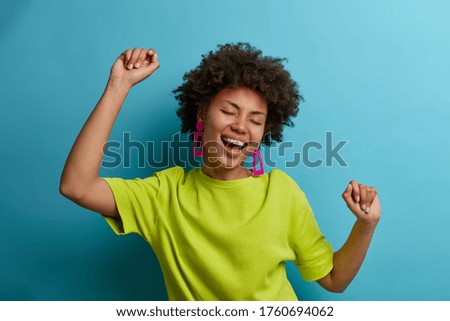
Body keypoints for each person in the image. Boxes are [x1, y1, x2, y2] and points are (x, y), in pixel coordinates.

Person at [60, 43, 381, 300]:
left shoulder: (281, 192)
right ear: (202, 114)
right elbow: (77, 186)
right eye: (229, 111)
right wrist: (119, 85)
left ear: (265, 132)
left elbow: (334, 279)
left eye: (255, 120)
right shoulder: (164, 194)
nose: (241, 126)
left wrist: (366, 225)